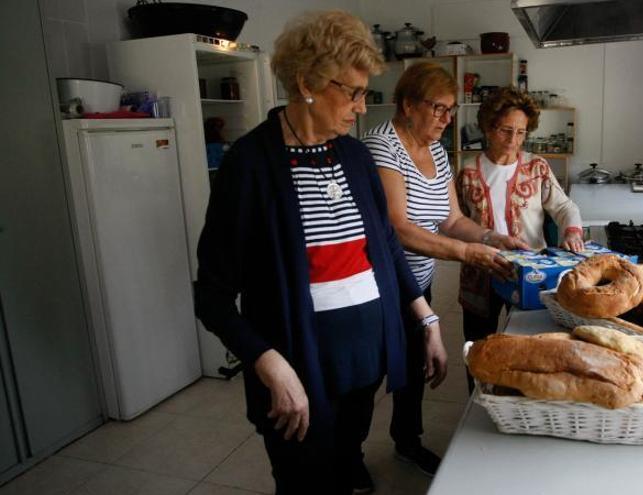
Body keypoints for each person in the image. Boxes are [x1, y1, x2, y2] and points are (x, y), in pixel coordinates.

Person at [193, 11, 447, 495]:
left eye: (364, 93)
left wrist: (425, 319)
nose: (359, 106)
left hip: (363, 362)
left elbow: (386, 248)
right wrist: (268, 363)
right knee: (303, 481)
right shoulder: (249, 164)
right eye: (351, 92)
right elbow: (212, 295)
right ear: (307, 81)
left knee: (344, 459)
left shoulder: (354, 157)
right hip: (296, 369)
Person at [362, 63, 527, 476]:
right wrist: (468, 255)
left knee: (416, 368)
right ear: (407, 104)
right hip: (379, 287)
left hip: (417, 284)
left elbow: (451, 220)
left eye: (450, 110)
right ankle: (349, 458)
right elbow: (399, 229)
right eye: (438, 108)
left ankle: (406, 441)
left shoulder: (435, 149)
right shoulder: (382, 146)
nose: (446, 119)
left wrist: (490, 238)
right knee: (368, 378)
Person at [457, 86, 583, 391]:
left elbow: (564, 206)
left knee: (529, 344)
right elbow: (457, 222)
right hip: (481, 272)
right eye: (505, 131)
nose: (513, 141)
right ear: (488, 127)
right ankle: (477, 400)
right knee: (478, 347)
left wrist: (572, 230)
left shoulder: (536, 167)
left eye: (521, 132)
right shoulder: (467, 172)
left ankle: (521, 400)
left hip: (530, 273)